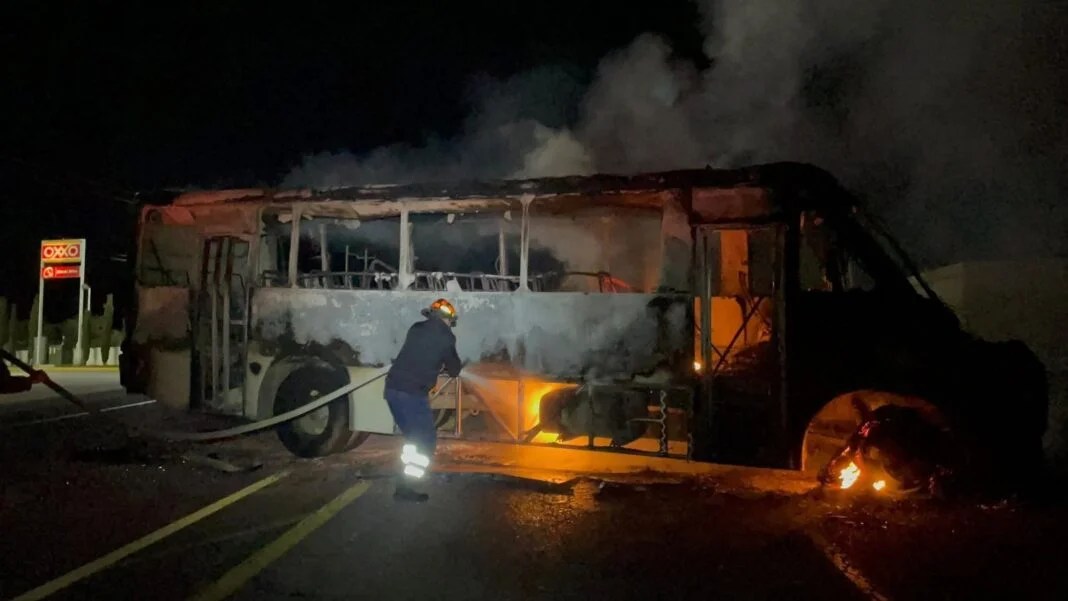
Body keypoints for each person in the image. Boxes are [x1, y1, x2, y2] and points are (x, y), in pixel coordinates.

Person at [384, 298, 463, 502]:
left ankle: (403, 484)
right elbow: (454, 370)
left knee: (413, 441)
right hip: (412, 395)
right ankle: (406, 488)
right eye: (450, 321)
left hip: (393, 391)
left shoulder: (416, 328)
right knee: (425, 442)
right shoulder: (447, 337)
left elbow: (418, 354)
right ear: (447, 320)